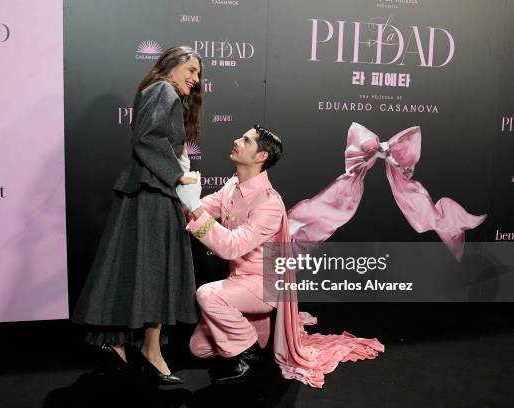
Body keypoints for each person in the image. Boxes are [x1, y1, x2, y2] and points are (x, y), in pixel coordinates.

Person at [177, 125, 384, 386]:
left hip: (264, 285)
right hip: (236, 282)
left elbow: (230, 246)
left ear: (261, 156)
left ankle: (250, 354)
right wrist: (187, 194)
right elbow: (199, 210)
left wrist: (194, 206)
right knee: (199, 348)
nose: (236, 141)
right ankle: (255, 331)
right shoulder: (231, 186)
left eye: (246, 140)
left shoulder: (269, 203)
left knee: (207, 294)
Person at [72, 46, 204, 384]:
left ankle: (128, 345)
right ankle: (147, 350)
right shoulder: (162, 89)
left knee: (140, 269)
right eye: (190, 70)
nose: (195, 79)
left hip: (148, 192)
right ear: (171, 67)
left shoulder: (159, 92)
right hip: (151, 193)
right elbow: (146, 138)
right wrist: (177, 174)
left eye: (198, 74)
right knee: (153, 269)